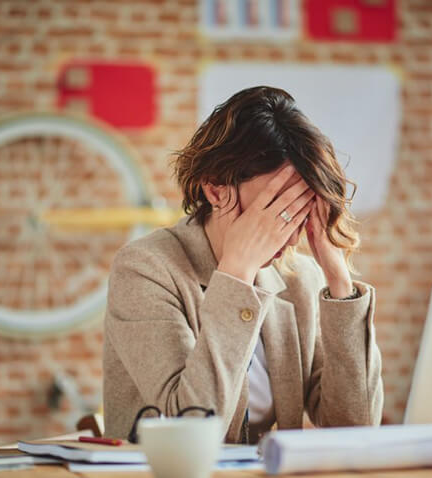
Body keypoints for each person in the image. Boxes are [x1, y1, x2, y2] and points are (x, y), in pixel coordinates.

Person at [103, 86, 383, 443]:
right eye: (278, 204)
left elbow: (355, 430)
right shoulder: (146, 268)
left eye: (302, 206)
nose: (289, 228)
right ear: (216, 190)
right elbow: (193, 431)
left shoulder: (300, 279)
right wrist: (235, 275)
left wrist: (339, 280)